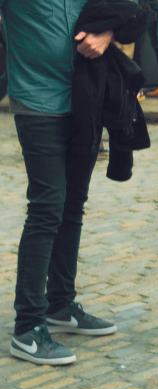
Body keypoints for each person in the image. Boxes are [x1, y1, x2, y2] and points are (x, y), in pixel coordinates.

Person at [2, 0, 119, 366]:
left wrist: (107, 33)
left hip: (85, 102)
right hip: (37, 102)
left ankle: (60, 304)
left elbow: (131, 12)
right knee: (47, 208)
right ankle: (28, 327)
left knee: (72, 205)